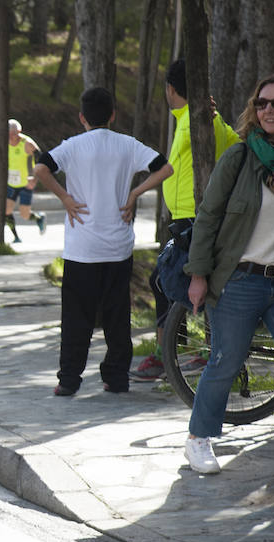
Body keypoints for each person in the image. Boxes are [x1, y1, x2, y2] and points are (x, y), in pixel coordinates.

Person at [183, 72, 274, 474]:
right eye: (262, 103)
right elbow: (207, 217)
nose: (268, 111)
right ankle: (198, 439)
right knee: (225, 361)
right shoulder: (241, 157)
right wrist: (198, 274)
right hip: (239, 280)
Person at [33, 87, 173, 396]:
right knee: (116, 315)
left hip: (81, 249)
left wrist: (66, 198)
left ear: (82, 117)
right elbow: (165, 168)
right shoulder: (128, 145)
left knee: (75, 318)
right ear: (112, 115)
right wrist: (136, 193)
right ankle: (117, 378)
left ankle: (69, 380)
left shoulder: (72, 146)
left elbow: (41, 168)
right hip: (118, 246)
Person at [131, 59, 242, 380]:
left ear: (170, 89)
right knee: (172, 283)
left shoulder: (199, 121)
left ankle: (170, 356)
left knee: (164, 281)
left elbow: (236, 146)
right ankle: (195, 353)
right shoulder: (189, 119)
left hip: (197, 218)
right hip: (185, 219)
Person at [4, 119, 46, 243]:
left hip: (26, 183)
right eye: (9, 134)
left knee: (25, 214)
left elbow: (41, 158)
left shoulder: (27, 143)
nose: (12, 137)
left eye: (14, 134)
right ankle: (15, 237)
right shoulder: (4, 141)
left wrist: (35, 178)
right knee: (7, 211)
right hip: (11, 183)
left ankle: (39, 218)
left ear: (19, 131)